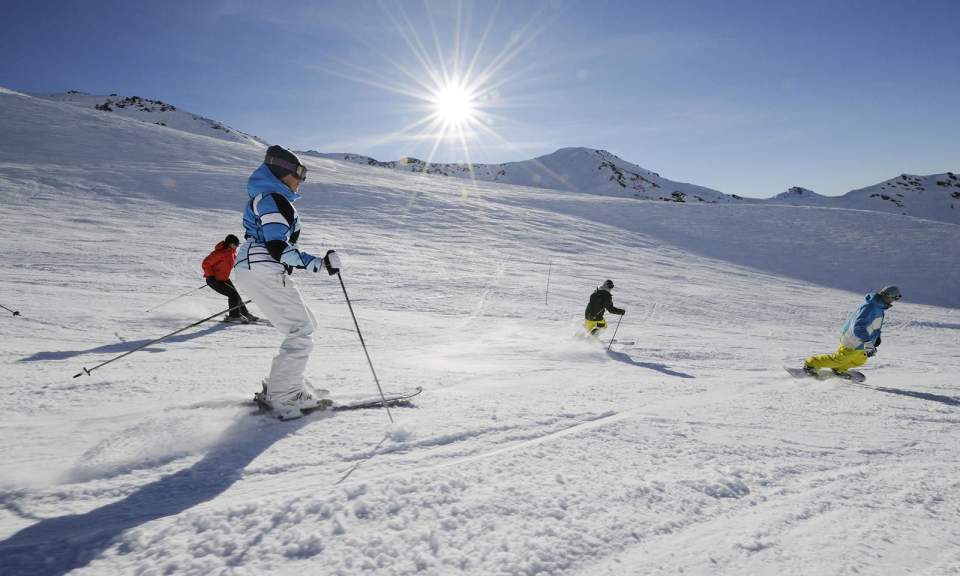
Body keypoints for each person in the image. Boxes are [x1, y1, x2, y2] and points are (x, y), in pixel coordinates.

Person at [232, 145, 342, 420]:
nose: (301, 180)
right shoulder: (273, 199)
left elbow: (274, 246)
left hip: (257, 267)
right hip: (263, 267)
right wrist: (320, 263)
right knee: (300, 330)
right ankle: (284, 396)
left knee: (306, 324)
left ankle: (285, 385)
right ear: (282, 173)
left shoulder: (269, 198)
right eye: (298, 173)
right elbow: (277, 246)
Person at [802, 285, 902, 377]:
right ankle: (810, 364)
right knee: (841, 358)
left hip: (864, 341)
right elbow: (858, 327)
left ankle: (838, 369)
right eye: (894, 298)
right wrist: (867, 341)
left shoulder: (879, 307)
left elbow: (874, 325)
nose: (893, 301)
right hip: (853, 339)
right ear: (887, 296)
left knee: (859, 360)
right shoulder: (870, 307)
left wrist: (876, 338)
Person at [202, 234, 257, 323]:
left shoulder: (231, 254)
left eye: (237, 244)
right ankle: (234, 316)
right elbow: (206, 263)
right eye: (235, 244)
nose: (236, 246)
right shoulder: (219, 253)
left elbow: (237, 263)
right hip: (214, 280)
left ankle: (245, 314)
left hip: (224, 279)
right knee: (233, 295)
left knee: (237, 296)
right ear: (229, 244)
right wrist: (210, 276)